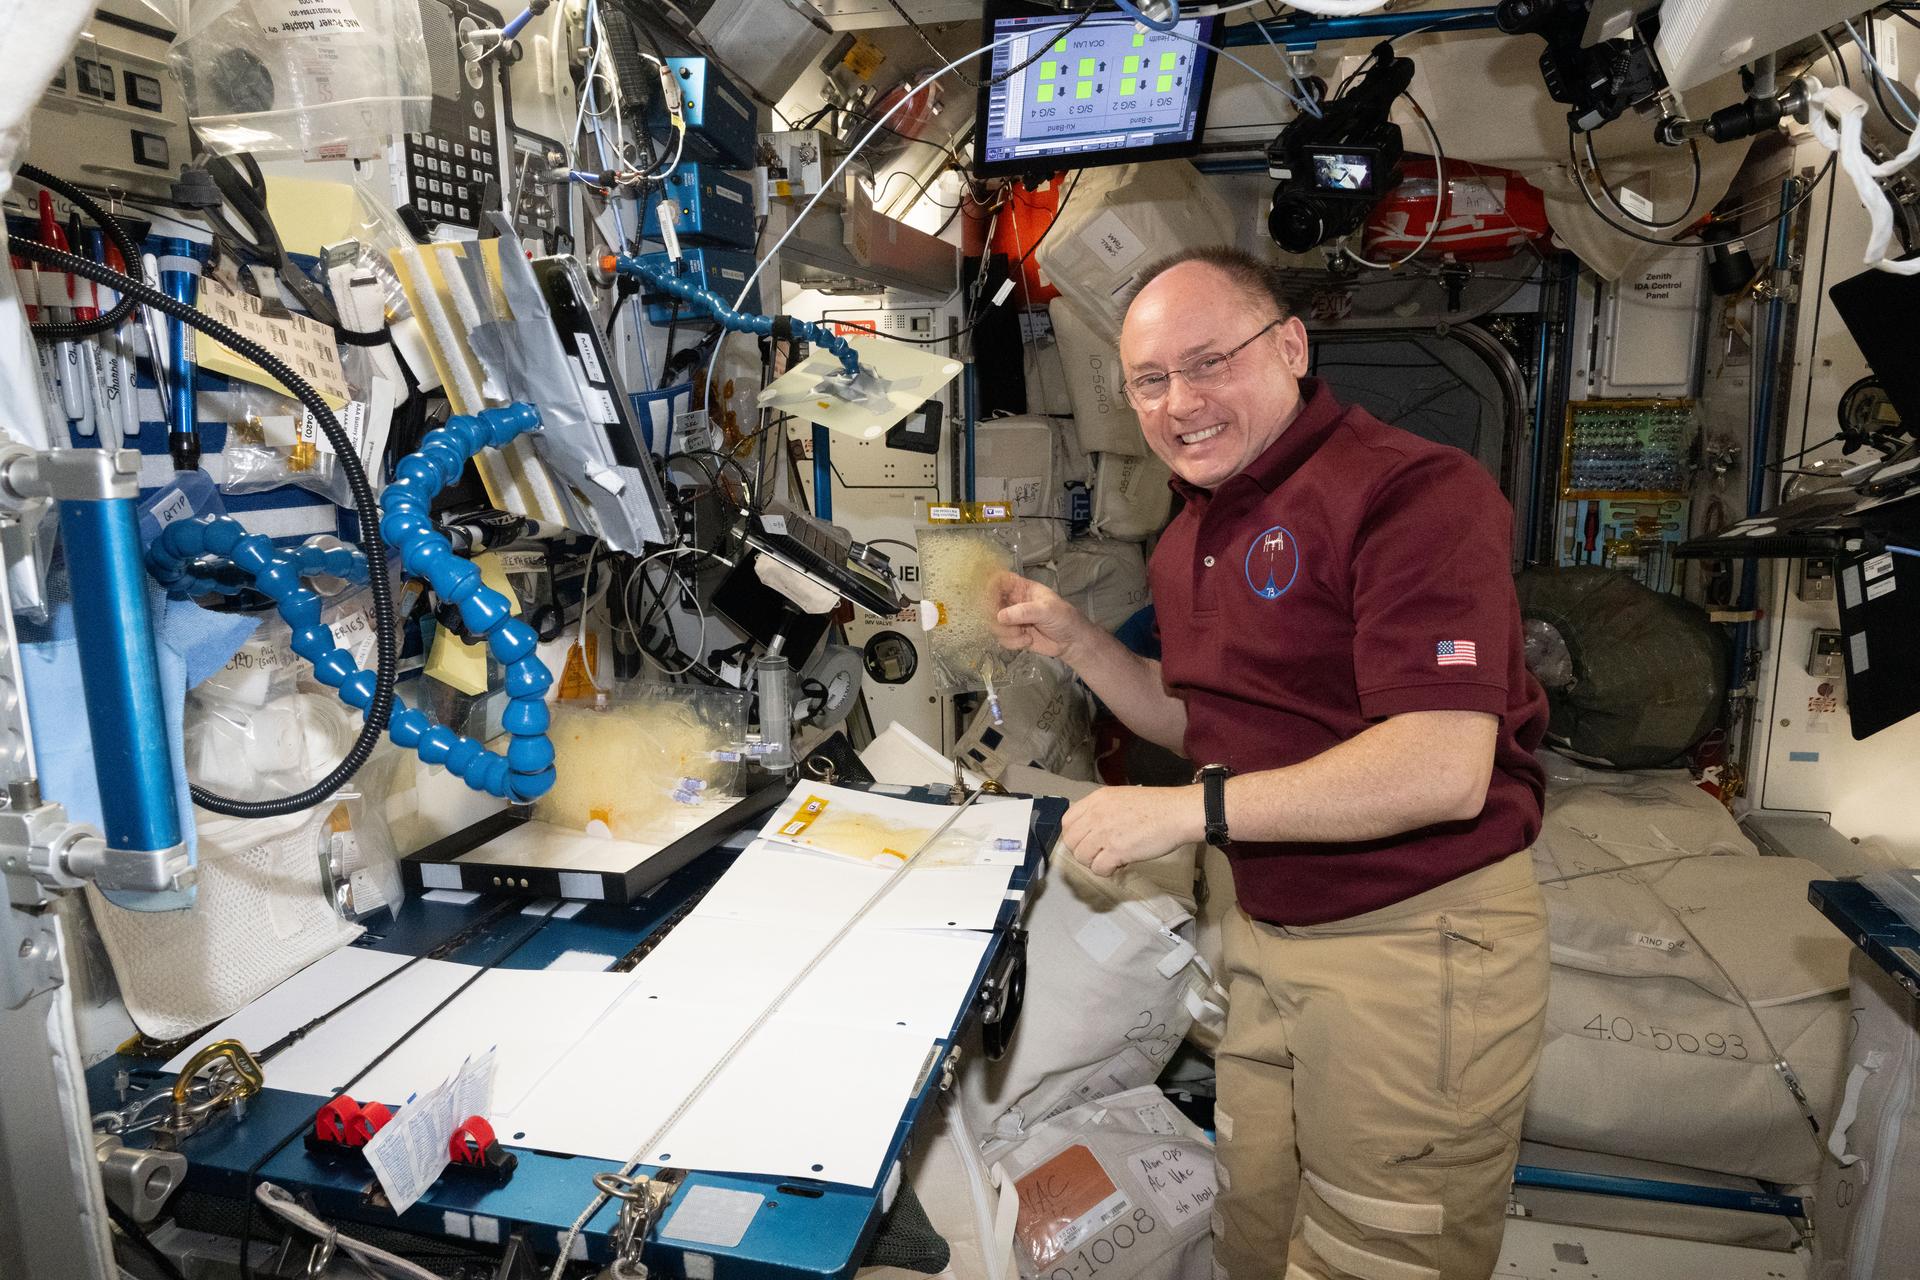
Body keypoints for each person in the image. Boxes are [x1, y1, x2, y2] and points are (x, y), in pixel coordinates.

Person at [992, 246, 1550, 1280]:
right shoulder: (1193, 530)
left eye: (1209, 362)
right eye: (1150, 380)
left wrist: (1184, 815)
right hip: (1264, 933)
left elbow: (1441, 764)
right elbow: (1206, 722)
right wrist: (1076, 641)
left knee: (1378, 1251)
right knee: (1252, 1226)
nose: (1180, 403)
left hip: (1410, 943)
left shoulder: (1413, 490)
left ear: (1291, 345)